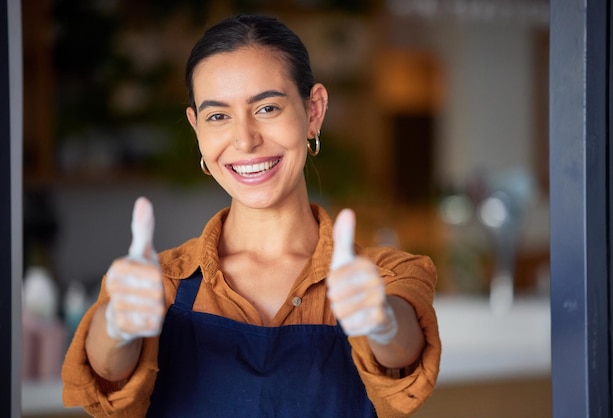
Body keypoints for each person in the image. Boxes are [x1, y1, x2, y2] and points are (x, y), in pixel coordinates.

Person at [61, 14, 441, 418]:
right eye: (218, 116)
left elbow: (404, 352)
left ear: (313, 111)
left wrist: (380, 322)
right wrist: (118, 327)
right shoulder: (159, 281)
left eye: (267, 107)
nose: (245, 139)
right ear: (197, 130)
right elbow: (106, 373)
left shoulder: (386, 275)